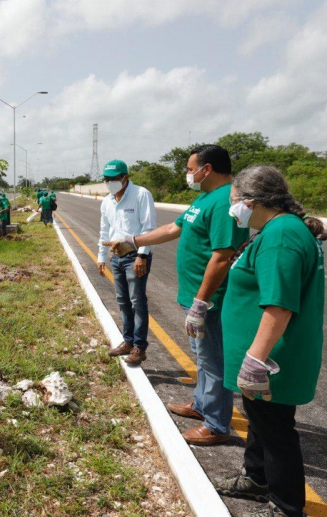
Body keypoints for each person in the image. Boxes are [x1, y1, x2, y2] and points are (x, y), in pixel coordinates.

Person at [106, 144, 249, 445]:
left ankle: (216, 424)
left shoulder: (225, 201)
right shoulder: (204, 198)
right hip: (194, 294)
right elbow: (173, 227)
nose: (187, 174)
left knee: (213, 360)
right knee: (202, 356)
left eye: (189, 168)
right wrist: (134, 241)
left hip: (209, 298)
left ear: (206, 169)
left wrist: (200, 302)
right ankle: (201, 406)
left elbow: (222, 256)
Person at [212, 166, 327, 517]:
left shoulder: (281, 237)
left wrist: (254, 359)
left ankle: (286, 511)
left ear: (250, 201)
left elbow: (279, 305)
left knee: (276, 430)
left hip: (274, 357)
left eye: (234, 202)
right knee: (260, 421)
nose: (233, 208)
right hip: (268, 355)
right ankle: (256, 477)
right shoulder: (277, 230)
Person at [97, 159, 157, 365]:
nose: (110, 182)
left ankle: (139, 347)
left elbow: (149, 228)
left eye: (114, 178)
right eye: (107, 179)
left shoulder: (141, 195)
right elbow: (104, 231)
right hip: (117, 256)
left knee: (137, 301)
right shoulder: (107, 201)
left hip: (135, 256)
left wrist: (142, 255)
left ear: (126, 177)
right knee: (122, 301)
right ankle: (128, 341)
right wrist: (101, 257)